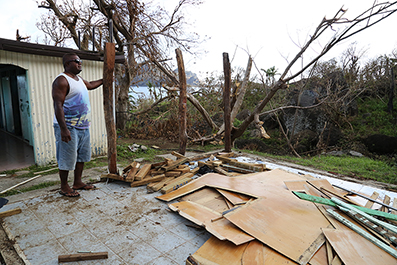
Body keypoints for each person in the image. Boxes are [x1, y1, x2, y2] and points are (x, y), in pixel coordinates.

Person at [52, 53, 103, 197]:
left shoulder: (78, 79)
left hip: (83, 126)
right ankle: (64, 186)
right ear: (67, 64)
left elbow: (91, 85)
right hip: (68, 127)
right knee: (67, 158)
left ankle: (78, 182)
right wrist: (63, 129)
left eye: (80, 61)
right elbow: (58, 105)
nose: (80, 63)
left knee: (81, 156)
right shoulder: (62, 80)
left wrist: (104, 80)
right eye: (76, 61)